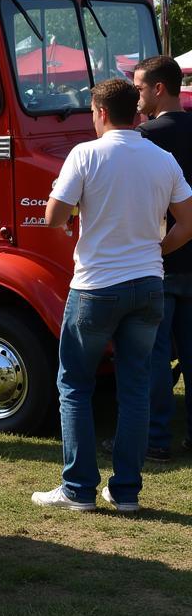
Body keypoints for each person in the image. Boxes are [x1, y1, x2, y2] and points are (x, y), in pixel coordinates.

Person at [33, 79, 192, 513]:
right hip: (148, 283)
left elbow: (53, 217)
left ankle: (78, 488)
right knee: (136, 389)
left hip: (97, 286)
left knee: (75, 384)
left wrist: (76, 213)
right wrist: (156, 250)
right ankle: (126, 493)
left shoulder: (85, 154)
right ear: (136, 112)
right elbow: (187, 222)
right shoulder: (162, 159)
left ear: (99, 112)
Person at [133, 55, 192, 462]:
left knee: (154, 357)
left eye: (139, 88)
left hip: (164, 258)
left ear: (158, 88)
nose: (136, 96)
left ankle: (156, 439)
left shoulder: (147, 136)